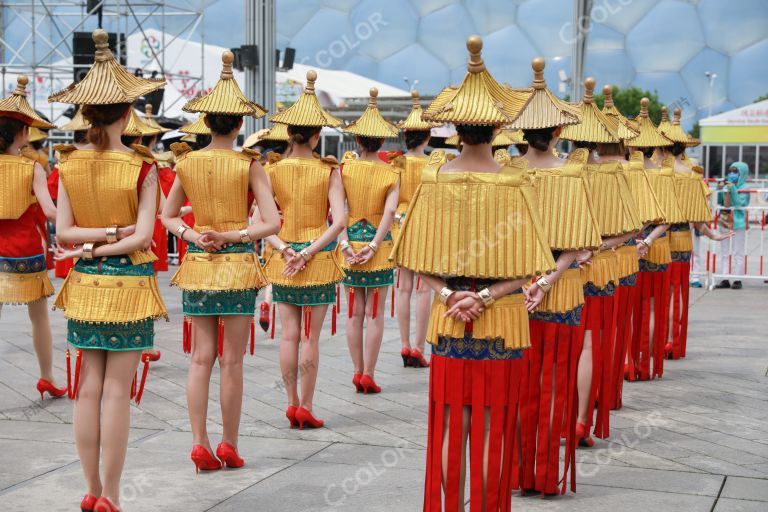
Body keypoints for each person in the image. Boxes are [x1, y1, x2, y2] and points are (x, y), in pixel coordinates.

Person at [392, 37, 556, 510]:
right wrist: (484, 297)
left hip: (448, 321)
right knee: (490, 428)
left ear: (457, 129)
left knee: (451, 425)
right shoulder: (514, 181)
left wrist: (449, 295)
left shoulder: (434, 178)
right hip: (500, 319)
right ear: (499, 126)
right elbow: (533, 265)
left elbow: (412, 259)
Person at [48, 29, 169, 511]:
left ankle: (91, 489)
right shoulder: (143, 166)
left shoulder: (70, 164)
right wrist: (112, 238)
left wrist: (92, 244)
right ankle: (112, 496)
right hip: (129, 285)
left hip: (84, 287)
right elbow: (143, 238)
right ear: (126, 113)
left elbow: (64, 234)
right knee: (116, 390)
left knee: (88, 387)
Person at [162, 51, 281, 472]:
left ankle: (199, 443)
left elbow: (168, 216)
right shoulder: (250, 164)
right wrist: (233, 235)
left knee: (200, 358)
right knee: (231, 361)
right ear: (239, 123)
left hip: (198, 264)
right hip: (236, 268)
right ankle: (229, 443)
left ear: (206, 121)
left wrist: (195, 236)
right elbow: (271, 223)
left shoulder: (187, 163)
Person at [509, 61, 601, 489]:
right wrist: (548, 279)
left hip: (512, 290)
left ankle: (517, 472)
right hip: (560, 291)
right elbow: (579, 243)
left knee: (516, 384)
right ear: (559, 132)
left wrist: (528, 281)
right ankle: (546, 476)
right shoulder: (570, 173)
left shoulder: (505, 173)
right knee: (553, 385)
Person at [262, 70, 347, 429]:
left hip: (283, 258)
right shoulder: (329, 171)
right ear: (316, 136)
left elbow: (261, 220)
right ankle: (306, 405)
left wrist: (285, 250)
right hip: (318, 259)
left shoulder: (272, 170)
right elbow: (339, 221)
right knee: (310, 337)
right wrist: (308, 253)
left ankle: (292, 402)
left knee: (288, 335)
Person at [560, 77, 642, 445]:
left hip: (565, 270)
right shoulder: (614, 175)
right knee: (591, 343)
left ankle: (560, 417)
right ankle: (581, 419)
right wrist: (601, 246)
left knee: (564, 345)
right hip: (603, 266)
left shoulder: (561, 174)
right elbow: (631, 230)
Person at [0, 75, 64, 399]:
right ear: (24, 134)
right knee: (38, 318)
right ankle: (46, 376)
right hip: (24, 251)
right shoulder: (33, 168)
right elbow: (52, 213)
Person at [598, 85, 662, 406]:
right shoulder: (634, 171)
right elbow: (648, 217)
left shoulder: (579, 171)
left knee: (592, 331)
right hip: (625, 253)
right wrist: (644, 240)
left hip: (587, 258)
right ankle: (618, 373)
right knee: (620, 321)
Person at [338, 88, 400, 394]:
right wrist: (375, 245)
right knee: (375, 313)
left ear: (358, 140)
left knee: (354, 311)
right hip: (379, 245)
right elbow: (390, 212)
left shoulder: (345, 169)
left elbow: (339, 212)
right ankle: (369, 373)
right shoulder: (391, 172)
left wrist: (347, 245)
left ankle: (356, 369)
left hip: (350, 243)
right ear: (382, 141)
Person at [660, 108, 733, 358]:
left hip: (657, 239)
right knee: (675, 293)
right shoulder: (692, 174)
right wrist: (713, 235)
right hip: (681, 238)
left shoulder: (659, 172)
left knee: (657, 295)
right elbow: (699, 219)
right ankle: (672, 341)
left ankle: (658, 341)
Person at [625, 98, 685, 382]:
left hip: (628, 244)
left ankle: (627, 363)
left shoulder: (627, 174)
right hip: (656, 246)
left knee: (629, 310)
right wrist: (649, 240)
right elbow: (669, 218)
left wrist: (638, 239)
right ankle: (644, 364)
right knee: (649, 307)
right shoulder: (662, 174)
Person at [390, 90, 436, 369]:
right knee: (423, 289)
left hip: (400, 223)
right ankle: (419, 347)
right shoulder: (434, 164)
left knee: (403, 287)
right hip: (424, 225)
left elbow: (392, 201)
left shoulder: (397, 163)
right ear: (427, 137)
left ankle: (405, 344)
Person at [714, 162, 750, 290]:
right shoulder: (727, 185)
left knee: (737, 252)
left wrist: (732, 189)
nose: (732, 174)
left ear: (742, 173)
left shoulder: (745, 187)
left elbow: (741, 203)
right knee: (724, 251)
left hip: (738, 222)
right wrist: (720, 190)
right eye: (731, 171)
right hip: (724, 220)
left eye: (735, 171)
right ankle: (725, 278)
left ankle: (738, 279)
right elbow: (720, 202)